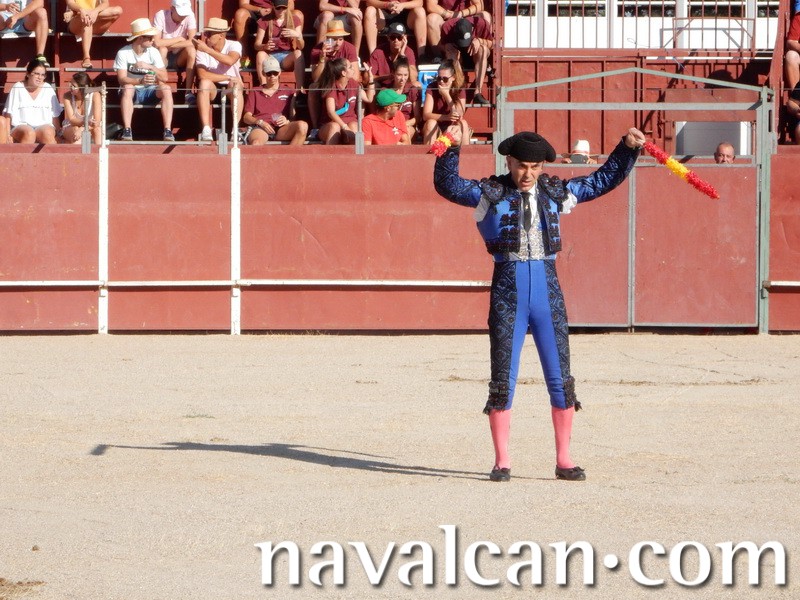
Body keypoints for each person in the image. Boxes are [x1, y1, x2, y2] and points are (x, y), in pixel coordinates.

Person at [432, 125, 645, 482]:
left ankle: (564, 460)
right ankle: (502, 461)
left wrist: (626, 149)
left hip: (547, 291)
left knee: (560, 378)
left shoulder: (555, 193)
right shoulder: (490, 193)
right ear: (509, 162)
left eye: (534, 167)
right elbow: (448, 185)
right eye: (521, 166)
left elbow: (601, 181)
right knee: (503, 377)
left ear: (542, 166)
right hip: (507, 291)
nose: (527, 173)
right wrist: (449, 146)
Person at [114, 18, 175, 142]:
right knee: (128, 87)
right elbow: (121, 79)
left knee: (166, 89)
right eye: (150, 37)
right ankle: (127, 129)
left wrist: (150, 67)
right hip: (132, 91)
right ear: (140, 38)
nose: (153, 40)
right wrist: (140, 81)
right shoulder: (123, 53)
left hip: (150, 90)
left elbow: (164, 77)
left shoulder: (154, 52)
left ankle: (168, 130)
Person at [193, 17, 244, 142]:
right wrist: (227, 76)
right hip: (213, 87)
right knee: (204, 83)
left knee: (235, 85)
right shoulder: (202, 50)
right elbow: (202, 75)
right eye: (206, 33)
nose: (206, 36)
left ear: (221, 35)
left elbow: (230, 60)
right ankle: (206, 128)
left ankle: (235, 129)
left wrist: (208, 50)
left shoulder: (234, 45)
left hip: (231, 86)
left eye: (209, 33)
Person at [307, 20, 359, 137]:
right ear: (328, 38)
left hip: (344, 83)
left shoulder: (349, 48)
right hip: (326, 83)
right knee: (312, 88)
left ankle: (357, 122)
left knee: (358, 87)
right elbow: (316, 78)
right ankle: (315, 127)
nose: (338, 43)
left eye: (340, 39)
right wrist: (322, 58)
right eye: (334, 39)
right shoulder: (317, 50)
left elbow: (355, 76)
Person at [242, 55, 308, 145]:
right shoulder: (255, 91)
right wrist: (260, 122)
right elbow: (246, 117)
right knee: (256, 143)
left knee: (303, 126)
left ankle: (290, 154)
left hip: (281, 128)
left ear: (279, 72)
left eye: (275, 73)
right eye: (269, 73)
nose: (272, 76)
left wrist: (287, 121)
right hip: (261, 127)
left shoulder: (289, 91)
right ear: (264, 73)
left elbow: (292, 117)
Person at [2, 56, 61, 144]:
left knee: (47, 133)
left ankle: (52, 153)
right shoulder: (18, 87)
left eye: (43, 75)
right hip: (21, 126)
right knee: (29, 133)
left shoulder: (48, 88)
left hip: (44, 126)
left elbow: (54, 115)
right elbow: (8, 114)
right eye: (36, 74)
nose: (40, 77)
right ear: (28, 73)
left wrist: (59, 134)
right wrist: (7, 134)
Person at [317, 56, 375, 144]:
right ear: (344, 73)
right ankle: (330, 152)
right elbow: (331, 112)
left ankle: (357, 152)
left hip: (349, 123)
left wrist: (371, 79)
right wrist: (344, 127)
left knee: (354, 126)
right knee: (335, 127)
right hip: (330, 124)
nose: (353, 69)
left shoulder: (353, 83)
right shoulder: (332, 87)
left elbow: (368, 98)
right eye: (350, 67)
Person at [153, 0, 197, 104]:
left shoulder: (189, 15)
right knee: (162, 50)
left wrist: (167, 43)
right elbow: (157, 42)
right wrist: (179, 39)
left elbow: (192, 42)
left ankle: (188, 93)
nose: (183, 16)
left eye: (185, 14)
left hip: (179, 57)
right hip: (162, 56)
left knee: (191, 50)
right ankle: (161, 89)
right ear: (172, 9)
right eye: (181, 13)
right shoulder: (161, 15)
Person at [254, 0, 305, 89]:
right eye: (278, 8)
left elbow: (301, 46)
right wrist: (264, 46)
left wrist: (297, 36)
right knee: (260, 54)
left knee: (298, 53)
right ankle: (264, 87)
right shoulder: (265, 20)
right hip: (271, 56)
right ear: (273, 6)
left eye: (284, 8)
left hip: (287, 57)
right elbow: (256, 45)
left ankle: (300, 89)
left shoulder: (294, 19)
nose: (281, 10)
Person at [440, 16, 491, 105]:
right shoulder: (447, 26)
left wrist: (480, 41)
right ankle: (459, 90)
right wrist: (447, 47)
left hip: (475, 56)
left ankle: (478, 92)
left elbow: (493, 43)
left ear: (472, 29)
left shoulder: (481, 23)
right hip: (458, 57)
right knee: (450, 50)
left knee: (483, 49)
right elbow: (441, 46)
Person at [64, 0, 123, 69]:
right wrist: (81, 10)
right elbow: (70, 3)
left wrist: (95, 11)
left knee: (118, 10)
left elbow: (105, 3)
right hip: (77, 21)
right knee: (87, 20)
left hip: (94, 18)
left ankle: (81, 14)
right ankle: (86, 57)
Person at [421, 58, 467, 145]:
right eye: (439, 78)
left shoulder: (459, 88)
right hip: (436, 127)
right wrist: (446, 117)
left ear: (453, 78)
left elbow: (459, 114)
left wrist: (447, 95)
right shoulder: (432, 87)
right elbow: (426, 115)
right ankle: (430, 153)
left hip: (452, 128)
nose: (441, 82)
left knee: (463, 123)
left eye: (445, 79)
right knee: (431, 123)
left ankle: (466, 153)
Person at [425, 0, 489, 61]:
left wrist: (461, 13)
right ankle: (439, 56)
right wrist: (447, 14)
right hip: (445, 21)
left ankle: (480, 54)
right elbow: (431, 6)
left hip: (466, 20)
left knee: (485, 15)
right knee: (432, 19)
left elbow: (479, 5)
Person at [367, 21, 418, 86]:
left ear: (405, 38)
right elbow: (366, 78)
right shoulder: (379, 51)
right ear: (388, 37)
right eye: (393, 37)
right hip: (383, 87)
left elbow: (413, 79)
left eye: (399, 37)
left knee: (417, 85)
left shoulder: (408, 51)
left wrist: (403, 57)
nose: (396, 40)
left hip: (401, 87)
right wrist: (388, 77)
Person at [61, 71, 102, 144]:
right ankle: (79, 150)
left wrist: (82, 128)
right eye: (70, 84)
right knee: (75, 130)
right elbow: (72, 120)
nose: (70, 87)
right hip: (71, 125)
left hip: (90, 126)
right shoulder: (67, 96)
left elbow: (97, 122)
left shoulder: (95, 95)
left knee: (97, 130)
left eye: (74, 86)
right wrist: (85, 123)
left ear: (82, 88)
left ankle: (99, 150)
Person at [387, 56, 420, 141]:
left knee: (406, 132)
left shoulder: (412, 90)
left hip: (407, 125)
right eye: (399, 75)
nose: (403, 79)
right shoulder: (386, 91)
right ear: (393, 73)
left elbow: (417, 117)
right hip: (390, 125)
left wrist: (403, 125)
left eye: (405, 75)